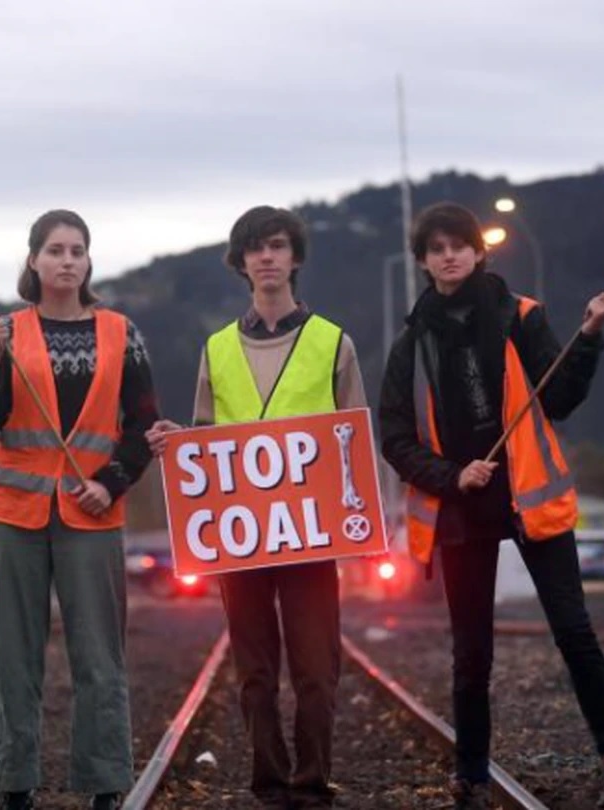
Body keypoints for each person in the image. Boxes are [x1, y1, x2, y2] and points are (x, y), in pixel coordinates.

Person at [378, 202, 604, 810]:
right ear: (422, 260)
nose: (449, 255)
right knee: (472, 654)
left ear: (478, 252)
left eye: (459, 245)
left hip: (530, 498)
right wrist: (450, 475)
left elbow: (562, 398)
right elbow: (394, 436)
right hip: (461, 509)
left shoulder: (521, 317)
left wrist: (591, 337)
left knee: (573, 630)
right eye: (437, 248)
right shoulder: (410, 346)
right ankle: (470, 775)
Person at [147, 205, 366, 809]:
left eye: (276, 246)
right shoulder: (215, 349)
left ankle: (312, 784)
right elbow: (204, 443)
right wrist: (175, 441)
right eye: (254, 248)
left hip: (312, 537)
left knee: (317, 670)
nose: (266, 257)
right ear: (240, 263)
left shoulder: (333, 344)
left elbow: (354, 442)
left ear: (294, 256)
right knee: (254, 673)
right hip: (240, 539)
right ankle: (269, 784)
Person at [0, 209, 159, 810]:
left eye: (77, 250)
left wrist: (112, 482)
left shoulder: (120, 333)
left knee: (100, 656)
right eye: (55, 250)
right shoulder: (6, 332)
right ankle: (15, 783)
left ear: (88, 261)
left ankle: (105, 783)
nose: (67, 260)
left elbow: (144, 424)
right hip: (13, 513)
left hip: (92, 510)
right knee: (15, 656)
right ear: (33, 261)